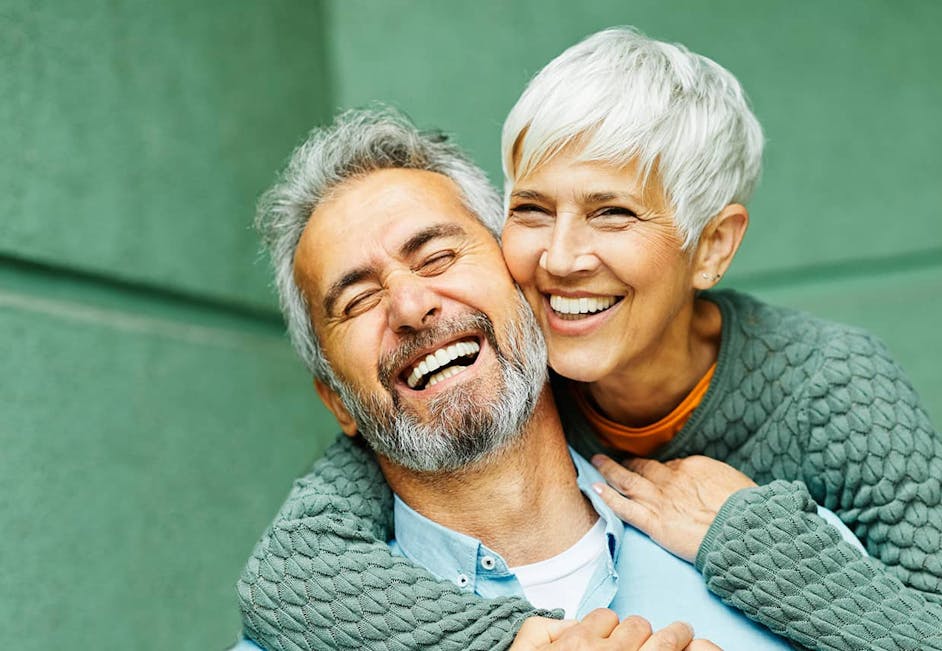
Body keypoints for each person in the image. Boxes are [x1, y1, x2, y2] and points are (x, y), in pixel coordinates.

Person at [239, 28, 942, 651]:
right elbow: (285, 578)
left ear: (712, 247)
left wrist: (749, 540)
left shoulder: (828, 393)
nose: (561, 258)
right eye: (534, 211)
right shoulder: (447, 403)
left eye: (614, 212)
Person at [234, 107, 865, 651]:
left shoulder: (791, 559)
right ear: (336, 401)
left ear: (527, 284)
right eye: (358, 300)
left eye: (438, 256)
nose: (409, 306)